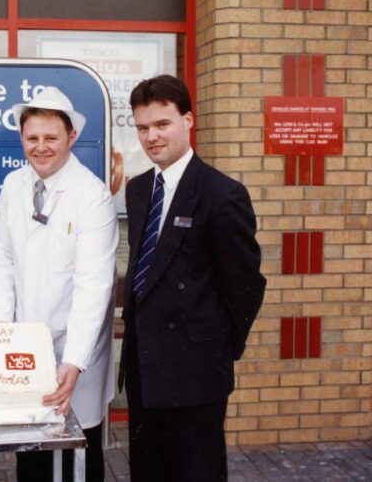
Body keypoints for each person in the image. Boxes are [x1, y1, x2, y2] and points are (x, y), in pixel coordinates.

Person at [120, 75, 266, 481]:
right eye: (143, 127)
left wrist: (216, 347)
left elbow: (245, 286)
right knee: (147, 471)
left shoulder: (222, 193)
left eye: (162, 124)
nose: (151, 136)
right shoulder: (138, 190)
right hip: (145, 367)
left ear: (188, 120)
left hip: (197, 372)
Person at [0, 86, 118, 482]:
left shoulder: (92, 196)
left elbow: (94, 284)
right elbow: (1, 256)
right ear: (22, 138)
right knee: (32, 448)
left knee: (78, 450)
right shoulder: (13, 185)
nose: (41, 147)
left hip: (75, 351)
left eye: (51, 138)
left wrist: (74, 360)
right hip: (26, 347)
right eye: (32, 138)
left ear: (71, 138)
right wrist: (2, 334)